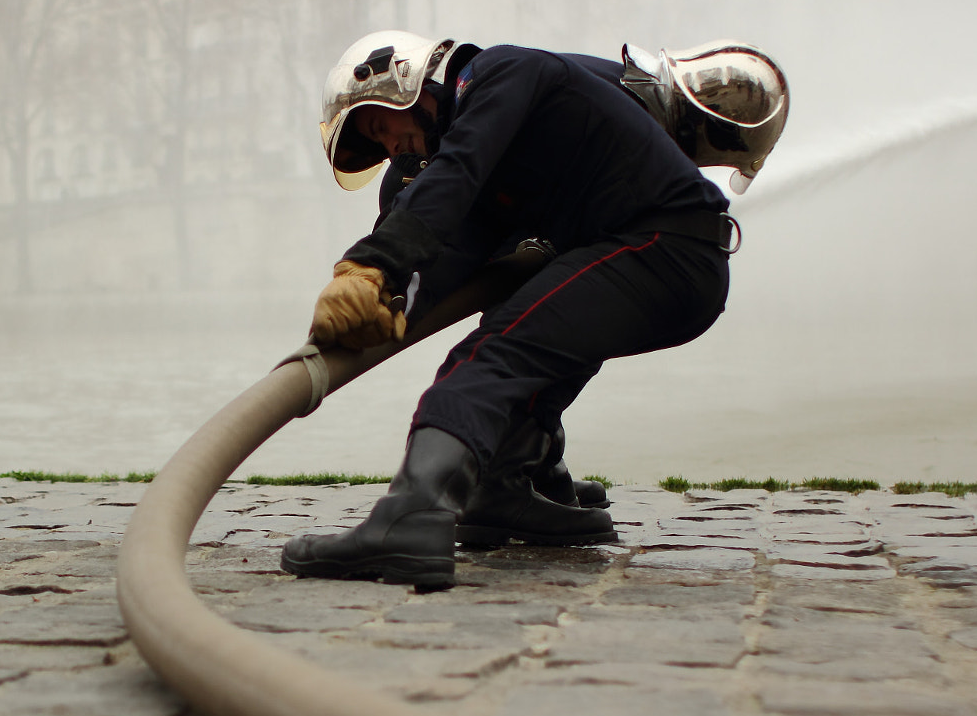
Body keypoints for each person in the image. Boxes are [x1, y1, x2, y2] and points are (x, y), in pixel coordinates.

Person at [280, 31, 787, 589]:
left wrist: (369, 266)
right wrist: (393, 297)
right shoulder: (496, 162)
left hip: (664, 247)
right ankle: (503, 492)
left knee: (486, 361)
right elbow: (456, 246)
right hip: (665, 259)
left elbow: (460, 169)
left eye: (382, 127)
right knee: (527, 339)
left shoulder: (501, 74)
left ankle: (411, 518)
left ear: (408, 84)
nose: (392, 149)